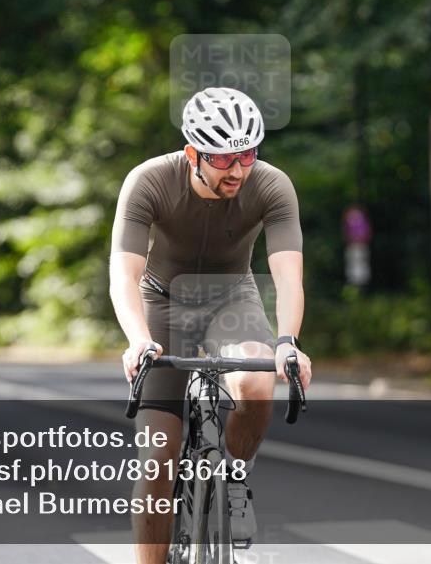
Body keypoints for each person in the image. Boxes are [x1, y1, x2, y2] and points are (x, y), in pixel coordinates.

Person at [110, 86, 312, 563]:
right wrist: (138, 340)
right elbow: (124, 273)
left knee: (258, 379)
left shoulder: (271, 184)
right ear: (192, 153)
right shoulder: (150, 181)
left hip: (230, 299)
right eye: (222, 159)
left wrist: (288, 342)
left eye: (246, 155)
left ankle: (235, 480)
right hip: (163, 302)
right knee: (159, 456)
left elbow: (287, 274)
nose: (237, 170)